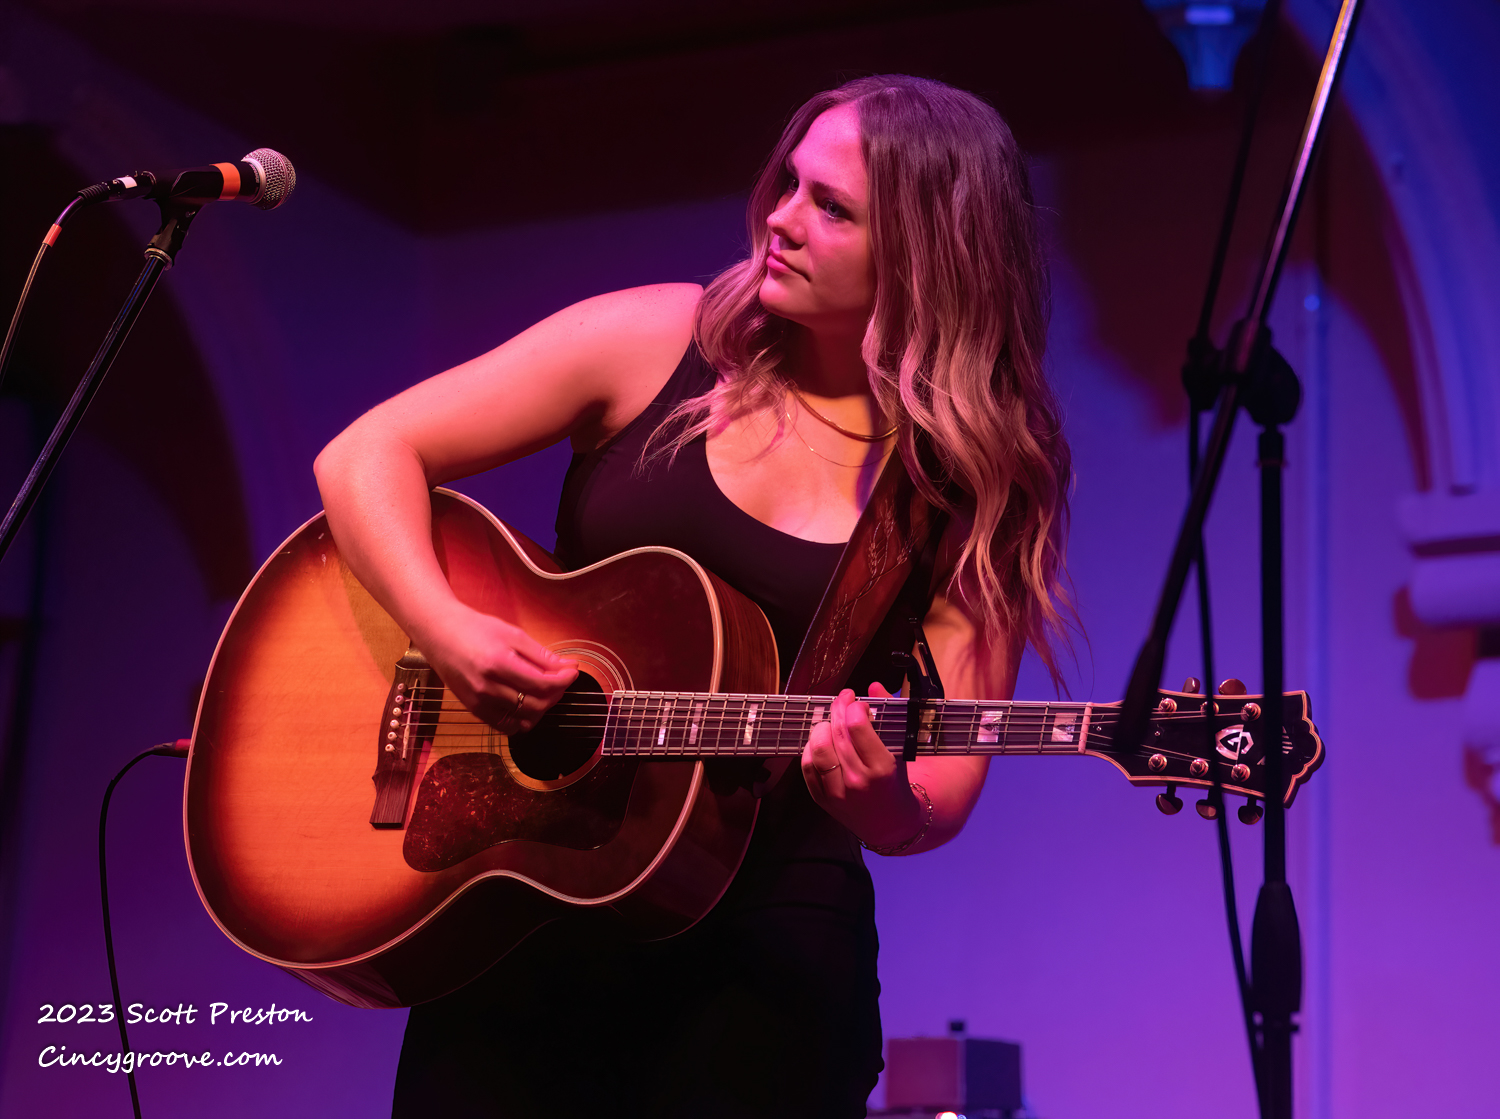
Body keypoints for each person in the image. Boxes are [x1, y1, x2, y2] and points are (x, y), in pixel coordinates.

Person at [314, 74, 1070, 1119]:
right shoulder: (656, 342)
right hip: (532, 904)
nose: (781, 221)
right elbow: (367, 454)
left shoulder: (963, 482)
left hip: (766, 961)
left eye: (832, 208)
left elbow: (939, 793)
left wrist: (882, 801)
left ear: (925, 257)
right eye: (790, 183)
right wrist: (444, 632)